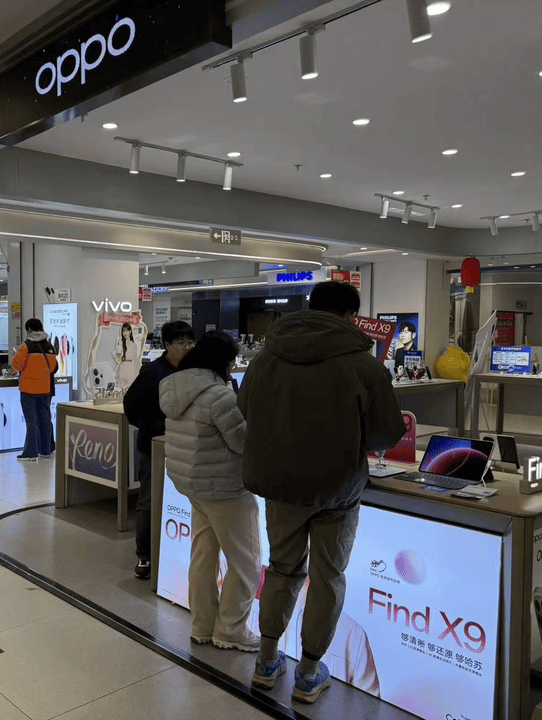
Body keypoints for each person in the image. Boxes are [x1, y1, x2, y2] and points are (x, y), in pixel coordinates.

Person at [239, 280, 404, 703]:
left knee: (281, 569)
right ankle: (309, 674)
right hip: (337, 490)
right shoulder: (364, 365)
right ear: (351, 317)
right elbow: (387, 434)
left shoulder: (265, 358)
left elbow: (245, 410)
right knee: (327, 577)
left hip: (279, 485)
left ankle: (266, 662)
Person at [159, 331, 260, 652]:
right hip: (226, 487)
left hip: (193, 484)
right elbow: (243, 442)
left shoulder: (174, 388)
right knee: (246, 562)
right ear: (223, 362)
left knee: (203, 554)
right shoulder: (220, 396)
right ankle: (231, 629)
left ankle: (203, 625)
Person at [123, 320, 195, 580]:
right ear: (167, 345)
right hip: (153, 447)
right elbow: (130, 405)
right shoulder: (152, 372)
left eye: (190, 342)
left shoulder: (194, 370)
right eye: (181, 343)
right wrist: (152, 427)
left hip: (185, 446)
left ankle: (174, 551)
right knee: (149, 499)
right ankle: (144, 555)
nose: (187, 347)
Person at [11, 318, 58, 461]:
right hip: (45, 389)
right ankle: (45, 450)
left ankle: (30, 453)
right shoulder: (50, 347)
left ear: (29, 330)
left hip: (28, 389)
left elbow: (17, 366)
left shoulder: (26, 346)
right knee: (45, 419)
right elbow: (53, 368)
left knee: (31, 421)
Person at [113, 323, 140, 391]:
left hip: (131, 369)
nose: (125, 333)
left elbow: (136, 359)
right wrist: (119, 344)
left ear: (130, 331)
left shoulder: (134, 345)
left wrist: (140, 370)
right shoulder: (121, 343)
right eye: (123, 331)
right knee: (121, 390)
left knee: (130, 389)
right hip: (122, 368)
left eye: (126, 331)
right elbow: (118, 358)